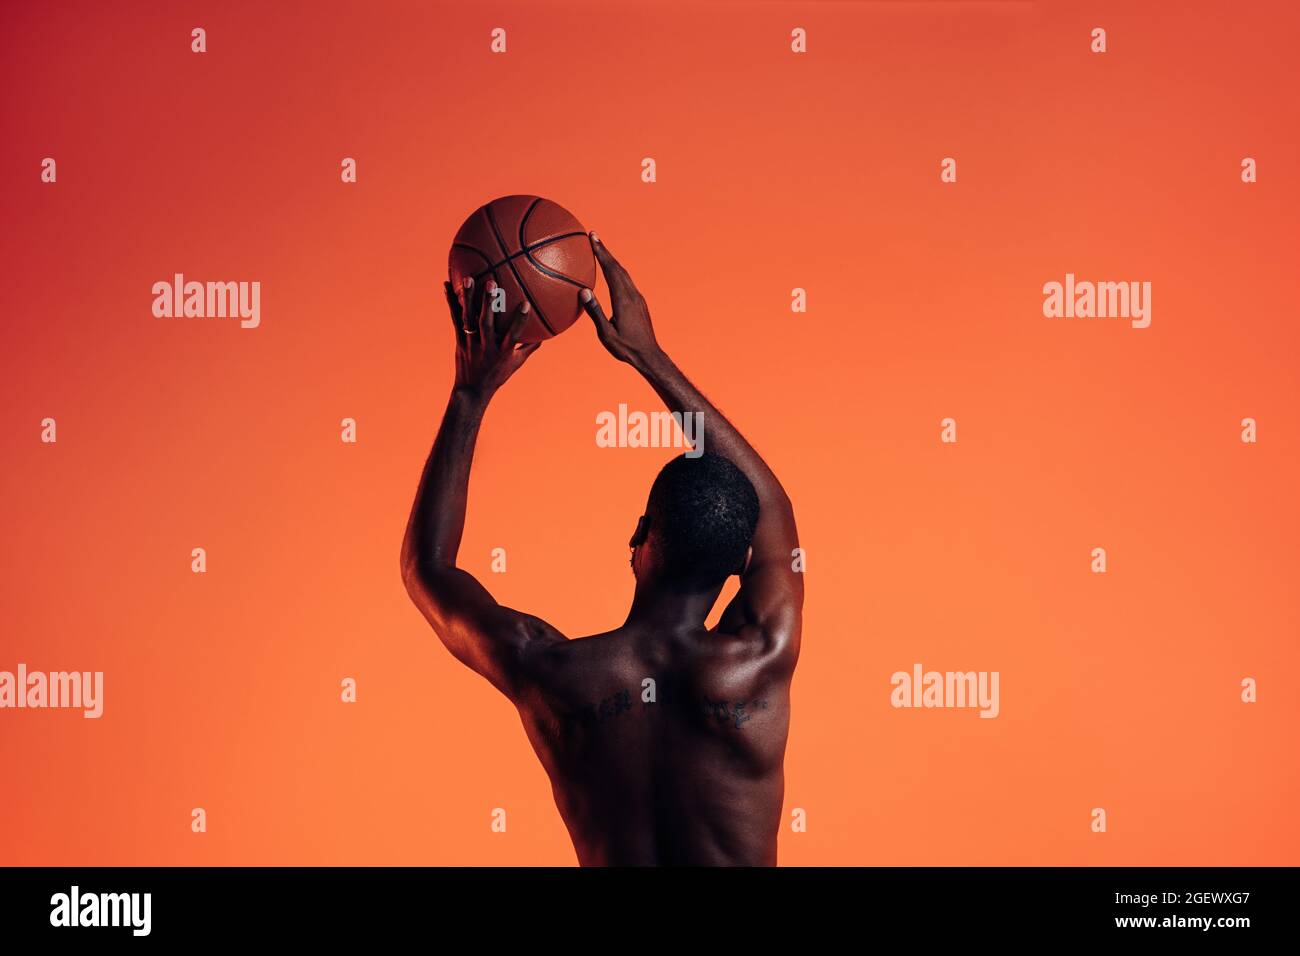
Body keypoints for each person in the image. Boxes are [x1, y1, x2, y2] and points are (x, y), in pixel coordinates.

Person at [401, 234, 803, 865]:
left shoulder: (553, 675)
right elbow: (772, 505)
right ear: (739, 563)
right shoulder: (761, 657)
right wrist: (648, 357)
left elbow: (429, 569)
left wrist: (469, 395)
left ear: (638, 539)